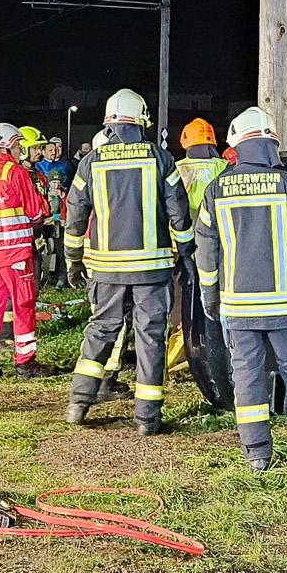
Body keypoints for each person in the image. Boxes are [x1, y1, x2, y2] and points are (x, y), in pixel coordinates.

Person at [191, 108, 287, 472]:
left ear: (236, 146)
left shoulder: (216, 190)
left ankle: (257, 455)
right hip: (286, 305)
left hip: (238, 307)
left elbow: (205, 252)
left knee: (247, 377)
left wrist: (210, 296)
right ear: (270, 143)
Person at [62, 88, 193, 434]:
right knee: (151, 337)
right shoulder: (160, 158)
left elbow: (75, 213)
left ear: (109, 123)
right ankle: (147, 420)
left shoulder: (91, 162)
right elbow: (178, 212)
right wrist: (188, 254)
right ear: (142, 119)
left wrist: (73, 258)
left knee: (101, 330)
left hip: (107, 268)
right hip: (153, 268)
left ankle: (78, 403)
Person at [0, 122, 50, 380]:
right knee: (23, 305)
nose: (20, 151)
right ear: (7, 145)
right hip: (16, 254)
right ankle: (25, 362)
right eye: (17, 146)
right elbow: (37, 212)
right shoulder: (16, 173)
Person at [168, 117, 230, 387]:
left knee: (178, 302)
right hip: (219, 248)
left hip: (180, 246)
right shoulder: (225, 167)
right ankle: (212, 352)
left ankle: (177, 352)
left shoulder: (177, 168)